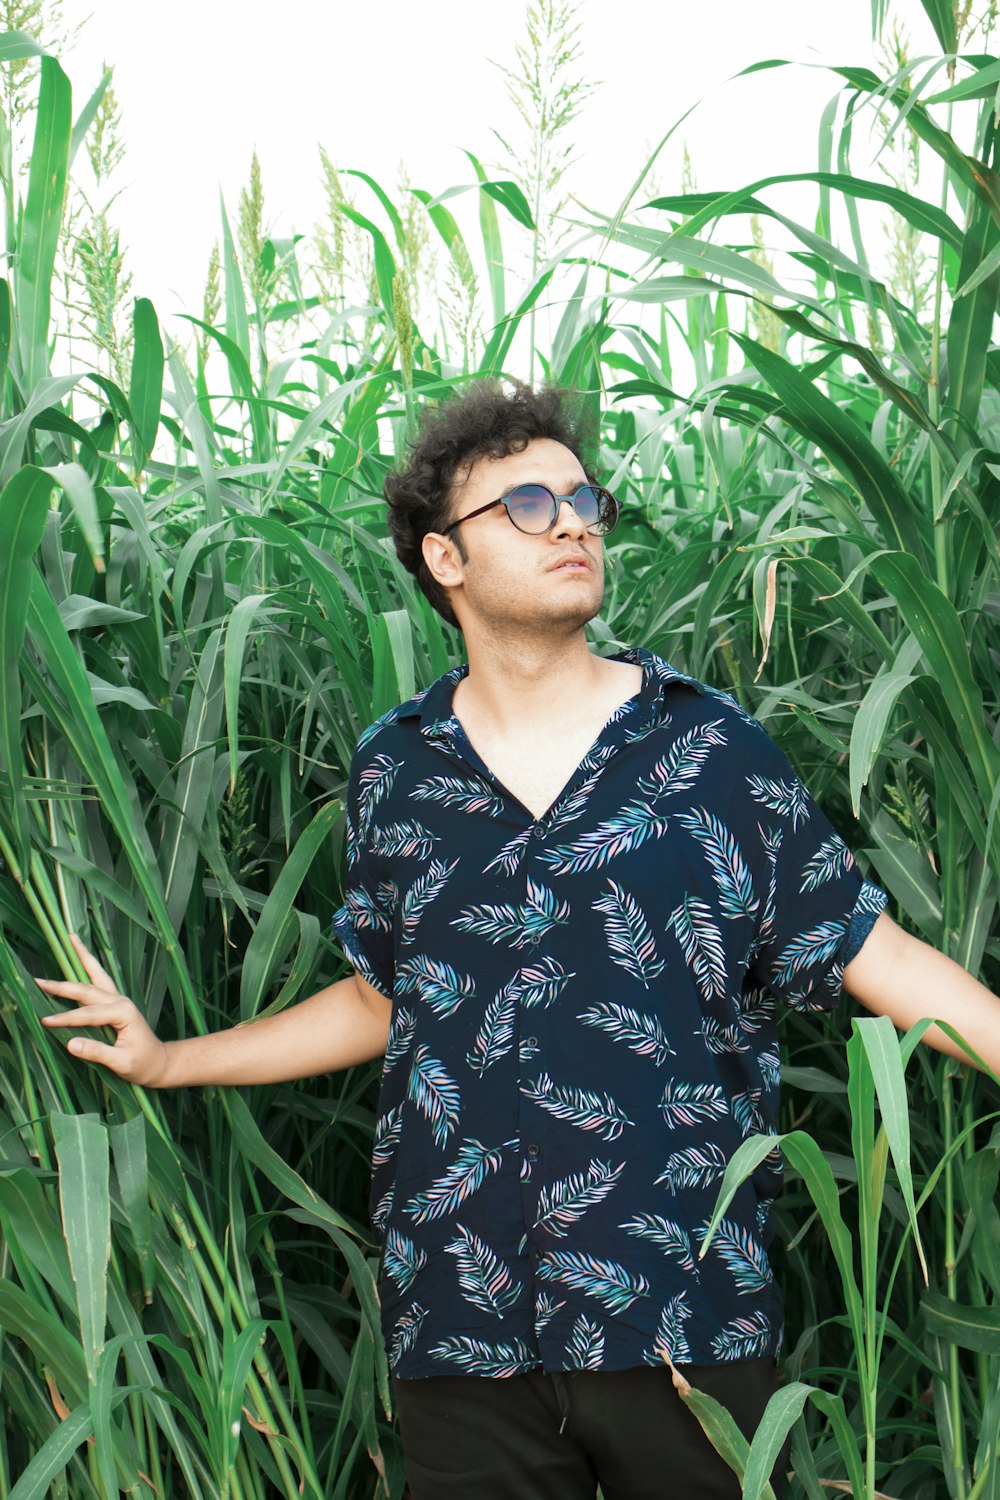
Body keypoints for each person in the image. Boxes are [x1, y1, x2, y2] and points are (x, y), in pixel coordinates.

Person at [38, 382, 1000, 1500]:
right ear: (444, 560)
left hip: (679, 1301)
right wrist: (170, 1059)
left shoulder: (706, 748)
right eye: (529, 505)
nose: (575, 523)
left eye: (582, 499)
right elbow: (386, 998)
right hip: (460, 1310)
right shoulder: (396, 768)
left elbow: (869, 953)